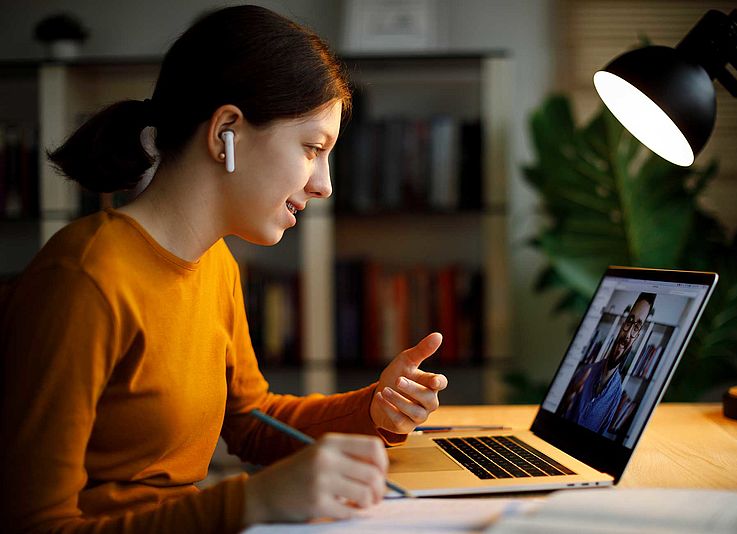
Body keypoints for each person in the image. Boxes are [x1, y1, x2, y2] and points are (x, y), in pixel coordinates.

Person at [0, 5, 449, 532]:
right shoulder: (84, 280)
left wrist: (374, 409)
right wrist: (247, 504)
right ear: (226, 133)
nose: (325, 185)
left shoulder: (214, 263)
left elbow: (252, 420)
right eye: (312, 148)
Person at [558, 293, 655, 434]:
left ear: (637, 337)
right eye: (629, 321)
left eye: (636, 327)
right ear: (622, 324)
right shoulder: (584, 371)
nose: (628, 335)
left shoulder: (616, 395)